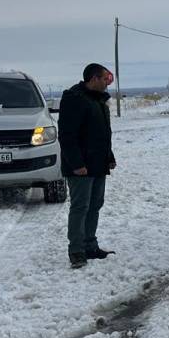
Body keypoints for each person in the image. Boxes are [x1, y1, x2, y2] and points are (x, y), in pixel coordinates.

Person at [58, 63, 117, 268]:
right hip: (80, 167)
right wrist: (76, 163)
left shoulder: (99, 100)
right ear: (93, 78)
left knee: (95, 205)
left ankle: (90, 245)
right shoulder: (74, 99)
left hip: (98, 164)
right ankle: (76, 250)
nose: (107, 82)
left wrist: (109, 156)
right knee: (80, 206)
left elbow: (103, 134)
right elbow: (67, 136)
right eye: (104, 78)